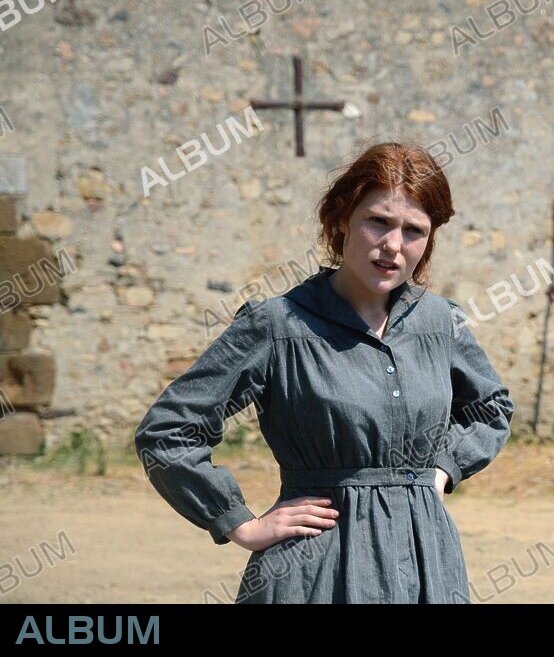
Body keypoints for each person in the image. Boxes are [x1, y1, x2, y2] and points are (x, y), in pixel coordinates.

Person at [134, 141, 516, 603]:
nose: (393, 245)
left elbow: (491, 408)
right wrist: (240, 522)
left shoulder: (441, 323)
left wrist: (440, 470)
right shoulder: (277, 326)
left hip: (423, 561)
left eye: (414, 230)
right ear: (341, 221)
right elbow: (169, 431)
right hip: (315, 565)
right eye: (378, 221)